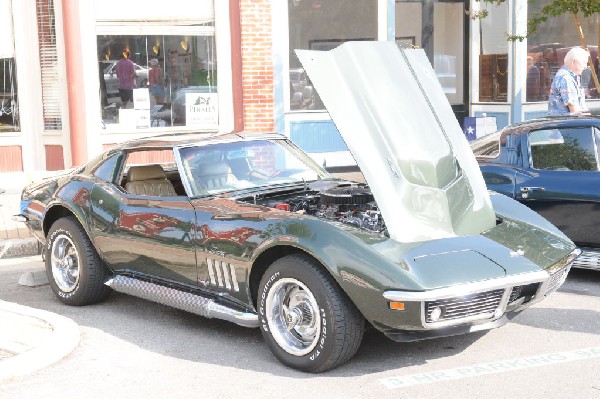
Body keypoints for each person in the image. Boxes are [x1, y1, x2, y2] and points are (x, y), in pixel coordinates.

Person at [547, 47, 590, 115]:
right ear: (573, 62)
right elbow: (575, 111)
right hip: (567, 123)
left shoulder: (573, 77)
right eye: (584, 62)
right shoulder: (566, 78)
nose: (585, 66)